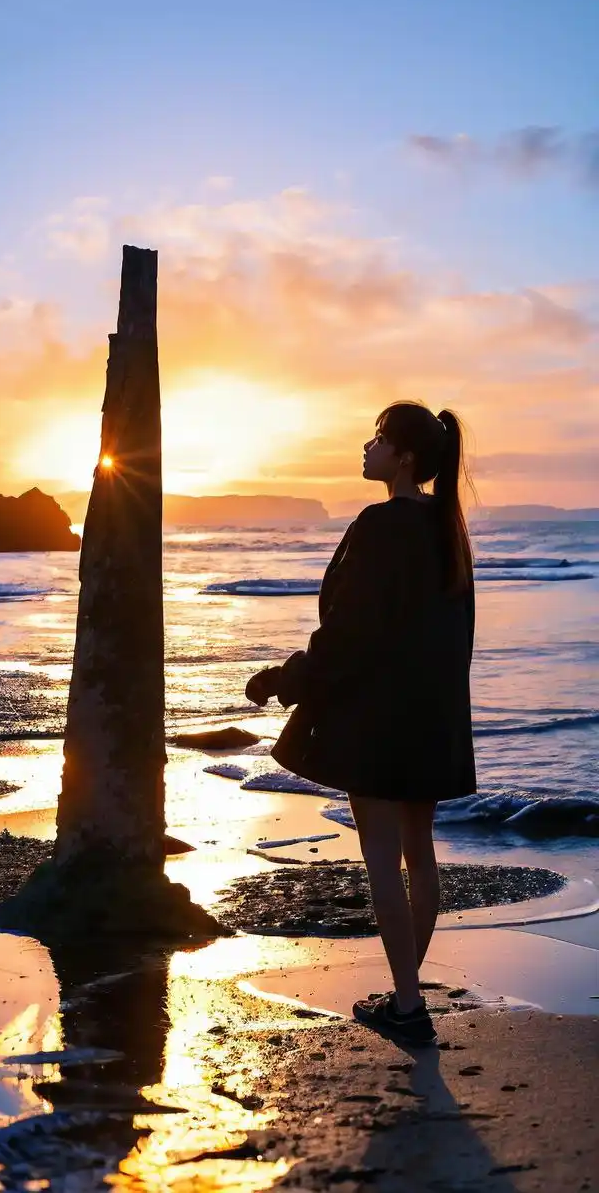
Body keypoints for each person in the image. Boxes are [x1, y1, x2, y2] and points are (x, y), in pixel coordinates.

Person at [245, 401, 476, 1046]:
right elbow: (460, 640)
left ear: (403, 457)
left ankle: (407, 1003)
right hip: (432, 715)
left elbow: (346, 635)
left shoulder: (380, 526)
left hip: (378, 719)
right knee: (418, 855)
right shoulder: (447, 530)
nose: (366, 448)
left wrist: (283, 682)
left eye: (377, 439)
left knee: (381, 859)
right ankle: (407, 991)